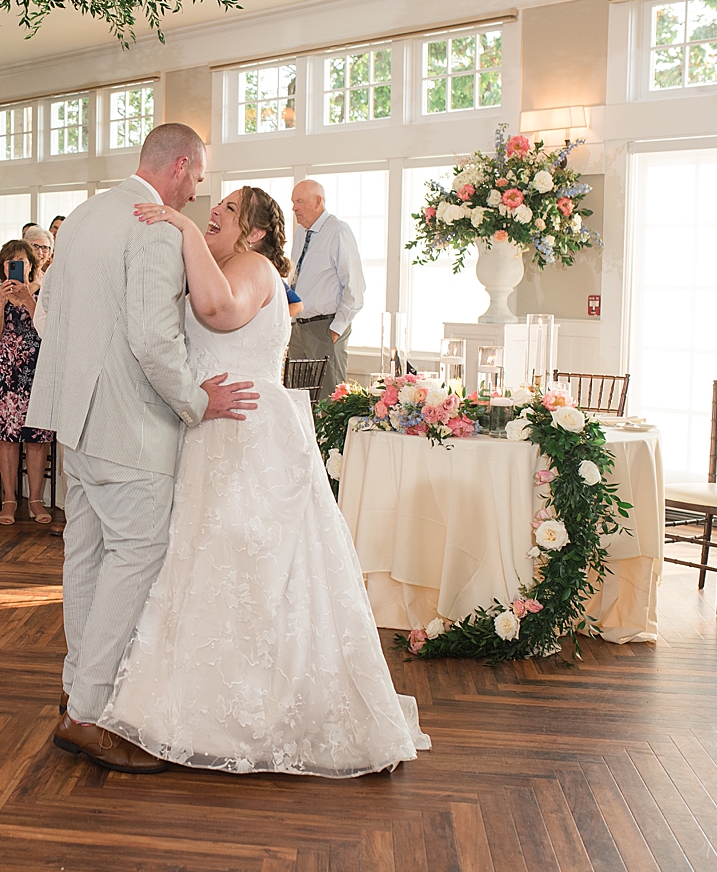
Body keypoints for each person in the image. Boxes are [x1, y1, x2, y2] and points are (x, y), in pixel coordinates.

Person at [98, 186, 431, 777]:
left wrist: (180, 225)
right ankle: (204, 702)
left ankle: (254, 708)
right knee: (209, 561)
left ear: (253, 234)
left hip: (247, 432)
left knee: (248, 560)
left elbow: (218, 313)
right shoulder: (224, 261)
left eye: (227, 211)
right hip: (218, 429)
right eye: (211, 208)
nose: (213, 214)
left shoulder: (253, 267)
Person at [24, 123, 257, 773]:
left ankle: (78, 684)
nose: (201, 187)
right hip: (130, 424)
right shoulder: (152, 227)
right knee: (135, 557)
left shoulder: (87, 216)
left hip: (79, 420)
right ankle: (89, 713)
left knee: (88, 555)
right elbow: (155, 343)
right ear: (180, 165)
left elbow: (53, 319)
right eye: (199, 172)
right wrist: (198, 400)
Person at [0, 240, 54, 526]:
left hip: (38, 374)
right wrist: (2, 301)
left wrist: (27, 299)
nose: (16, 266)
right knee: (7, 439)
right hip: (7, 377)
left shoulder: (45, 294)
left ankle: (35, 499)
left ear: (32, 265)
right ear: (2, 266)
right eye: (11, 262)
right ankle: (9, 499)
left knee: (38, 439)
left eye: (22, 261)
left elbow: (48, 331)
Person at [288, 179, 363, 396]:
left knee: (330, 401)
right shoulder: (300, 233)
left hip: (325, 328)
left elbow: (355, 287)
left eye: (299, 201)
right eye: (293, 202)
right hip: (299, 328)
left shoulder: (338, 231)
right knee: (298, 401)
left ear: (318, 201)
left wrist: (336, 328)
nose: (294, 207)